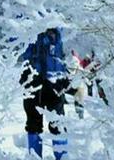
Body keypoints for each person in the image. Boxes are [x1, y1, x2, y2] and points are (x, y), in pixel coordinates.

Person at [20, 27, 69, 159]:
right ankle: (38, 157)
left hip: (49, 81)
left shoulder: (56, 24)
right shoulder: (28, 20)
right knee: (36, 124)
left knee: (56, 123)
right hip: (36, 80)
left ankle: (61, 157)